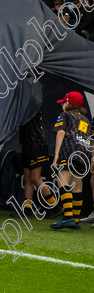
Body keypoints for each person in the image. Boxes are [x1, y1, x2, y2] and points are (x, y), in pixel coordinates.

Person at [50, 92, 92, 229]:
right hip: (83, 155)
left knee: (62, 183)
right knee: (77, 186)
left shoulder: (65, 115)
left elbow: (61, 132)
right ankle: (76, 220)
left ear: (69, 103)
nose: (62, 104)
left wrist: (56, 155)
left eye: (64, 102)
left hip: (68, 152)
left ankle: (67, 217)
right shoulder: (86, 119)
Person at [16, 111, 57, 217]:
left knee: (35, 178)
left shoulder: (31, 108)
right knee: (27, 177)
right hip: (27, 145)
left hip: (37, 145)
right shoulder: (23, 106)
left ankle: (54, 206)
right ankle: (27, 209)